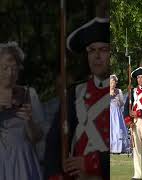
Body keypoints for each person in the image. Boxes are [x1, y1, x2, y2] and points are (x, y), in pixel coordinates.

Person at [45, 17, 110, 180]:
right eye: (91, 50)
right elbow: (55, 141)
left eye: (103, 50)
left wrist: (92, 163)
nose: (96, 56)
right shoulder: (76, 93)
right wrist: (55, 175)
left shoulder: (123, 94)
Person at [0, 41, 44, 180]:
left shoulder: (29, 94)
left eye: (14, 68)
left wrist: (29, 120)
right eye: (5, 68)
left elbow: (36, 138)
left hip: (24, 160)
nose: (10, 73)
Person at [110, 74, 129, 153]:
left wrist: (117, 102)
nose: (112, 84)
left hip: (117, 113)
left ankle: (117, 148)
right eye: (111, 83)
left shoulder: (119, 91)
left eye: (113, 82)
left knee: (118, 130)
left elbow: (122, 103)